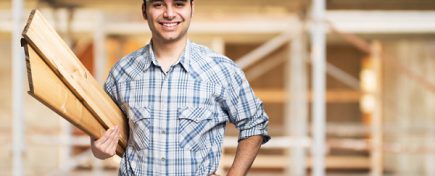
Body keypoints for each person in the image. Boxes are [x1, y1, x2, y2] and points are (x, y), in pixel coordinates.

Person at [90, 0, 270, 175]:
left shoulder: (220, 69)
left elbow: (254, 123)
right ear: (145, 10)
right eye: (158, 4)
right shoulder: (122, 72)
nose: (169, 14)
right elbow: (99, 133)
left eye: (179, 4)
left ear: (192, 8)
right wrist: (99, 150)